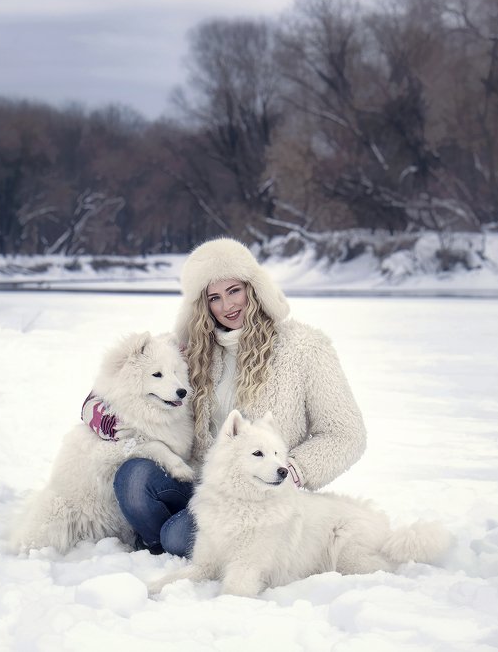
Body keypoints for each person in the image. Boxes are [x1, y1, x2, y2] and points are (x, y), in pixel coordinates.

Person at [83, 237, 367, 556]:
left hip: (257, 494)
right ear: (203, 305)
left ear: (253, 288)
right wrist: (107, 423)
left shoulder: (305, 348)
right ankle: (170, 541)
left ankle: (179, 541)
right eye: (214, 298)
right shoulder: (191, 349)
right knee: (134, 479)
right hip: (198, 483)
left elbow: (346, 433)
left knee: (177, 538)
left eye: (234, 291)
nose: (227, 306)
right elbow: (98, 396)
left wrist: (292, 470)